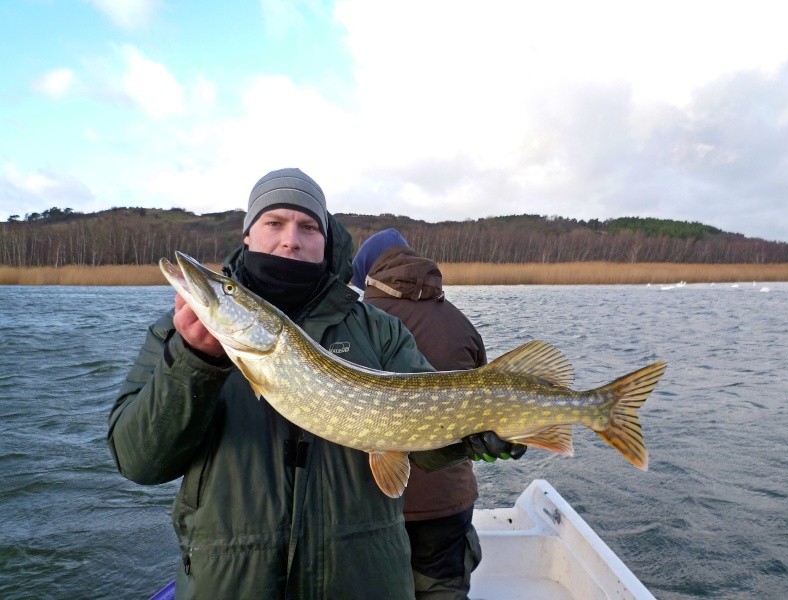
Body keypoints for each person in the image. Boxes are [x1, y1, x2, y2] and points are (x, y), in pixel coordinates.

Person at [107, 168, 522, 600]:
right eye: (274, 223)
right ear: (247, 235)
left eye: (308, 227)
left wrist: (471, 438)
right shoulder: (177, 334)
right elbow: (139, 463)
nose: (291, 239)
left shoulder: (380, 331)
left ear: (325, 241)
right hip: (231, 584)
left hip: (364, 582)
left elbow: (424, 445)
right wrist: (194, 362)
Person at [353, 229, 525, 599]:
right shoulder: (461, 322)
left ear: (367, 275)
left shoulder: (358, 323)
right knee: (442, 590)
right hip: (449, 501)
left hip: (376, 504)